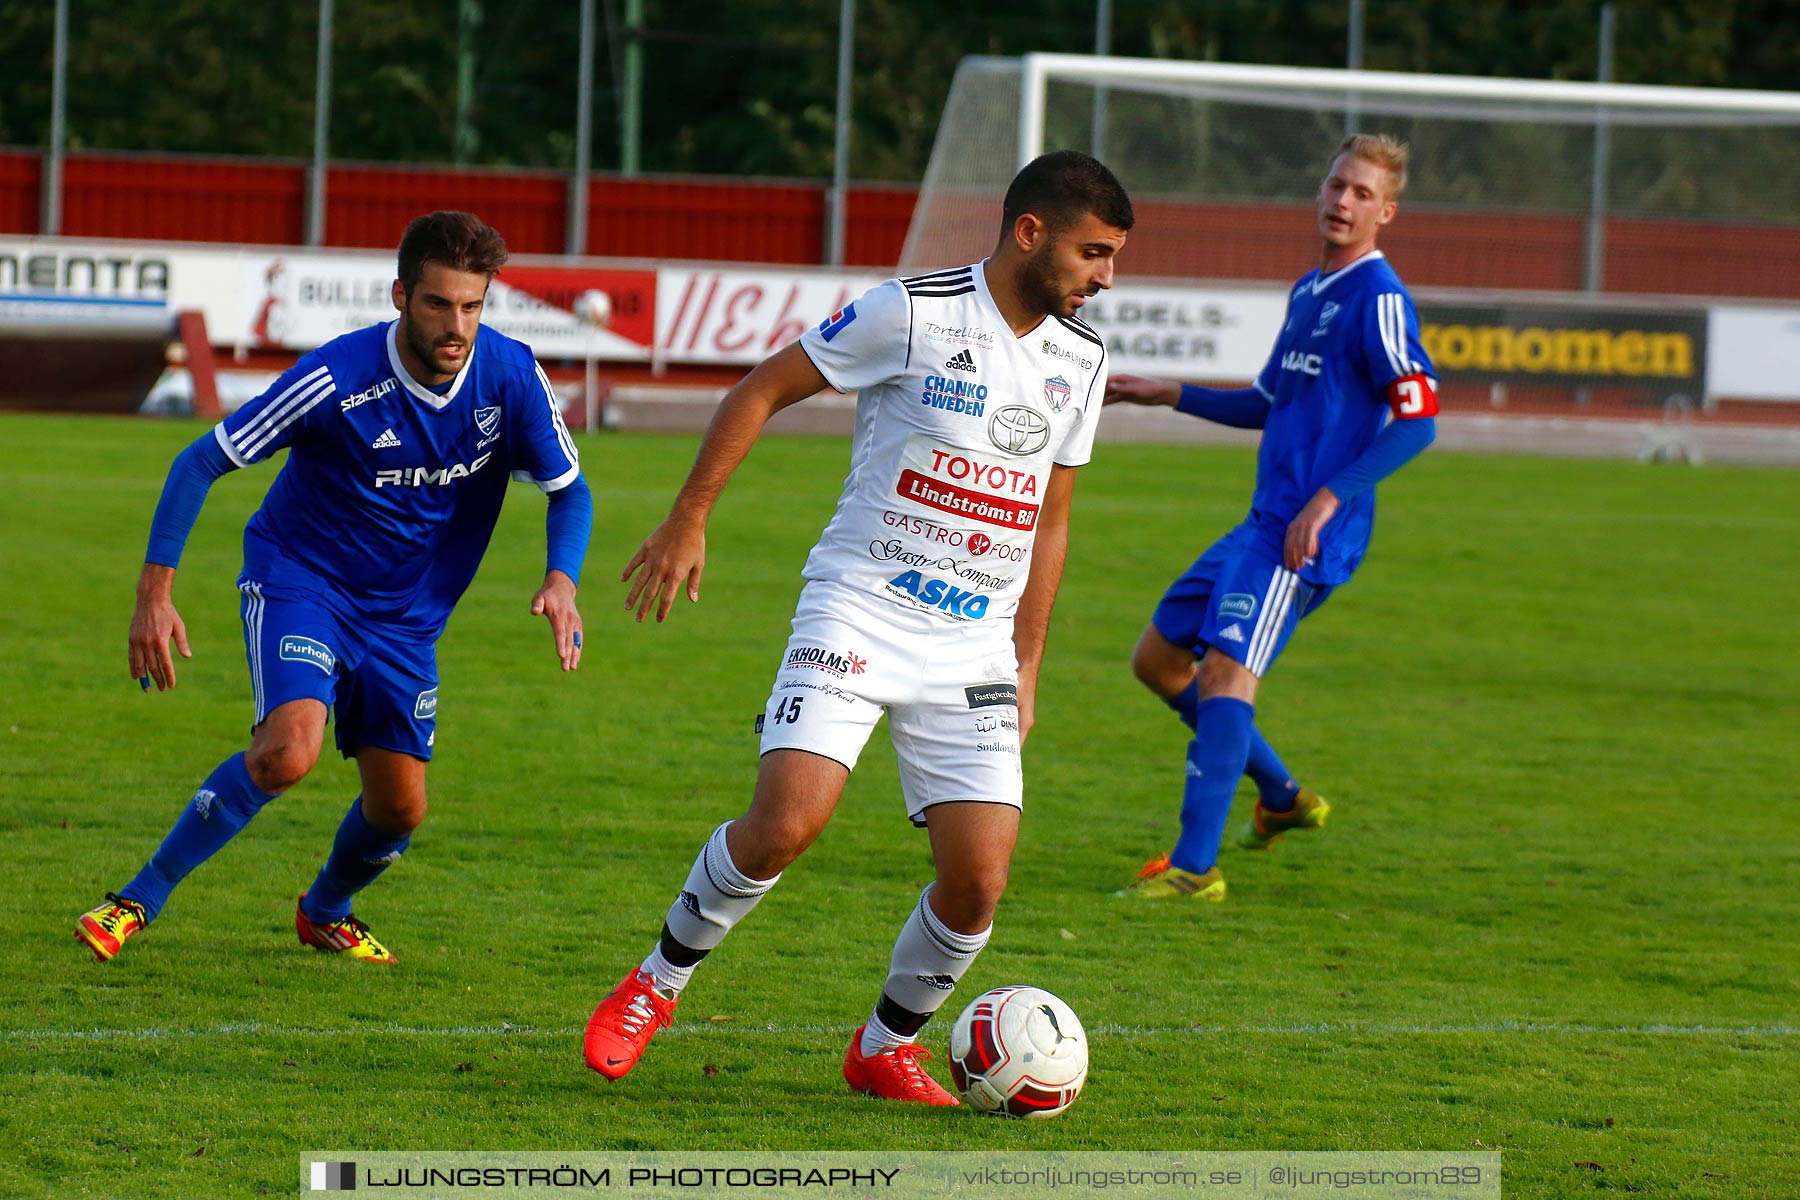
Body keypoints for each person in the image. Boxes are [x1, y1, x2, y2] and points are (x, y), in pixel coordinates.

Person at [582, 150, 1132, 1104]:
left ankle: (884, 1046)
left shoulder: (1081, 362)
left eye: (1115, 257)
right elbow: (756, 390)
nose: (1106, 277)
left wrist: (1027, 662)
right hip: (860, 606)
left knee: (979, 882)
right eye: (1095, 253)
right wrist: (689, 517)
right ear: (1030, 233)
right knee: (784, 824)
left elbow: (1051, 518)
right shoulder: (910, 312)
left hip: (972, 647)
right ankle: (653, 985)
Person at [75, 211, 591, 964]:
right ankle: (135, 900)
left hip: (408, 622)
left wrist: (562, 578)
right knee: (289, 751)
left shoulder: (509, 375)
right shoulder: (336, 377)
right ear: (399, 296)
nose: (457, 326)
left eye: (473, 307)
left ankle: (324, 910)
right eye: (439, 304)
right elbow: (201, 462)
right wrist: (154, 594)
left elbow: (568, 490)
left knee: (399, 811)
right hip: (303, 580)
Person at [1106, 133, 1437, 902]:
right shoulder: (1308, 291)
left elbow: (1418, 420)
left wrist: (1327, 500)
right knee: (1157, 660)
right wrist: (1171, 393)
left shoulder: (1378, 299)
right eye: (1335, 185)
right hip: (1261, 522)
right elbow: (1268, 403)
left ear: (1386, 212)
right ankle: (1283, 799)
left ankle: (1194, 869)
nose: (1342, 201)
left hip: (1306, 536)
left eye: (1361, 194)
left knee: (1225, 670)